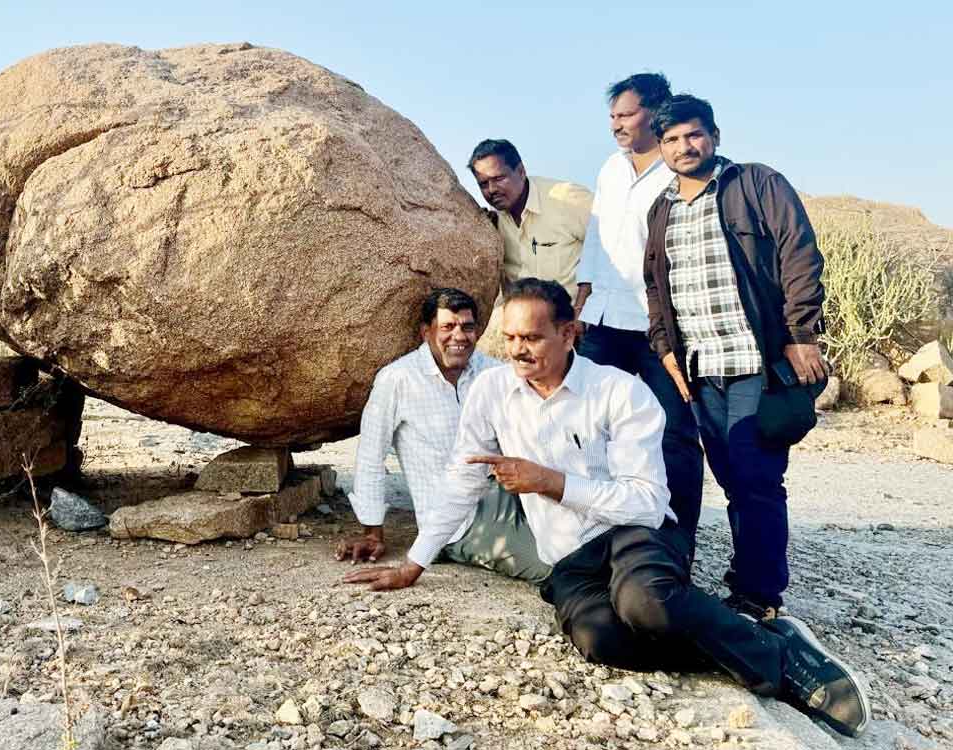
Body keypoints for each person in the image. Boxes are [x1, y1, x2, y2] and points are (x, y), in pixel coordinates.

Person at [344, 278, 869, 738]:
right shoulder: (491, 391)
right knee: (602, 639)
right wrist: (415, 562)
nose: (517, 352)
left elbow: (646, 499)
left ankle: (781, 661)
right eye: (508, 339)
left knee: (648, 604)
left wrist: (552, 483)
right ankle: (754, 636)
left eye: (531, 338)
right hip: (569, 555)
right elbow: (461, 479)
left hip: (633, 532)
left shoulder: (620, 392)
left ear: (569, 334)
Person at [644, 95, 828, 621]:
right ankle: (742, 579)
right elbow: (656, 287)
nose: (685, 146)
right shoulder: (662, 210)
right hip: (701, 368)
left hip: (757, 361)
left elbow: (800, 251)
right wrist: (667, 351)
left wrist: (800, 333)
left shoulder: (755, 184)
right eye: (673, 139)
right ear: (661, 148)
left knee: (756, 478)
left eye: (694, 134)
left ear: (715, 136)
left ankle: (759, 595)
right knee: (729, 478)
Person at [335, 287, 551, 585]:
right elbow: (371, 455)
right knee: (551, 564)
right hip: (460, 521)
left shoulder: (494, 372)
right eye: (448, 327)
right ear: (427, 331)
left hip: (515, 494)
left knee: (586, 535)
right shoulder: (398, 379)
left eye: (468, 327)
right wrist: (373, 531)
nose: (459, 336)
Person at [573, 73, 706, 546]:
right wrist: (583, 292)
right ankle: (595, 535)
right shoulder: (611, 168)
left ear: (656, 112)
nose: (616, 124)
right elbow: (597, 233)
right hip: (606, 320)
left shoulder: (679, 171)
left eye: (626, 114)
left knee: (673, 434)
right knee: (587, 426)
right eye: (612, 116)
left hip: (659, 327)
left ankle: (676, 542)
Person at [468, 139, 592, 302]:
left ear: (521, 171)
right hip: (522, 322)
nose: (491, 190)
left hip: (575, 321)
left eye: (499, 179)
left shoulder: (567, 198)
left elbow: (608, 253)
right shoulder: (492, 221)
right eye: (483, 184)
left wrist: (580, 312)